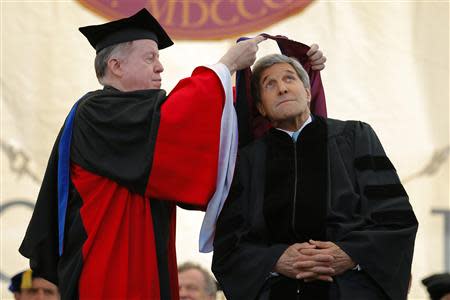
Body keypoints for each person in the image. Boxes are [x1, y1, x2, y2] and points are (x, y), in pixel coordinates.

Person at [18, 8, 326, 300]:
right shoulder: (96, 112)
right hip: (107, 267)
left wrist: (300, 70)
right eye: (150, 57)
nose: (160, 66)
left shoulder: (141, 114)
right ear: (116, 66)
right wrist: (226, 66)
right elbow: (176, 121)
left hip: (148, 261)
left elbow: (231, 123)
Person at [212, 54, 418, 300]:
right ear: (260, 107)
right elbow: (229, 246)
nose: (282, 88)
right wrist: (275, 260)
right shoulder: (248, 161)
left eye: (289, 78)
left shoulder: (354, 137)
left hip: (349, 290)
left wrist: (350, 255)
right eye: (270, 84)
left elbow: (396, 220)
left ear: (308, 92)